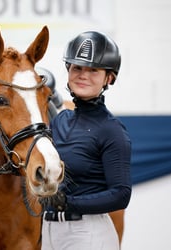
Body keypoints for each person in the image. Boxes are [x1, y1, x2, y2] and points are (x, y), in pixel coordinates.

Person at [41, 31, 132, 250]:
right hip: (49, 231)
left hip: (88, 233)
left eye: (93, 70)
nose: (83, 75)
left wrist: (69, 203)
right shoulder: (58, 121)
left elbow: (121, 195)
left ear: (108, 78)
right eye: (77, 67)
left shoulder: (111, 129)